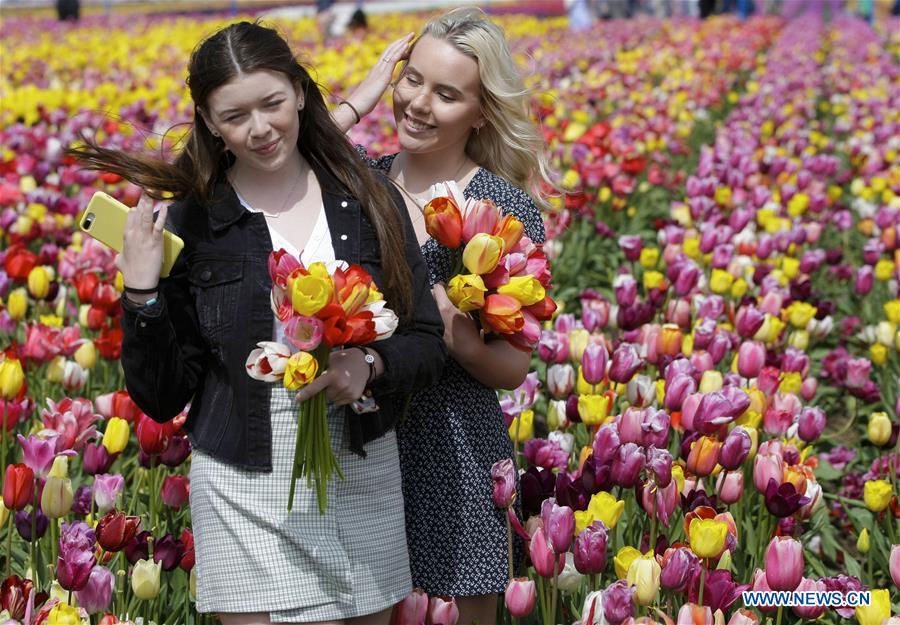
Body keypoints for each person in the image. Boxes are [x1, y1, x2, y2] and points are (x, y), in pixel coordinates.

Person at [71, 21, 445, 625]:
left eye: (273, 103)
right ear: (210, 122)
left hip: (360, 465)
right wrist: (141, 291)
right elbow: (162, 395)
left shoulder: (367, 197)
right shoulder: (192, 221)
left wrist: (368, 364)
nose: (261, 128)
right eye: (236, 115)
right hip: (241, 476)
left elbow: (426, 341)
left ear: (299, 91)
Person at [334, 8, 553, 622]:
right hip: (361, 442)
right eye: (412, 80)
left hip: (454, 446)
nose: (418, 104)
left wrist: (460, 339)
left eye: (447, 93)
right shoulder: (360, 186)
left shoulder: (503, 209)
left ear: (481, 112)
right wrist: (359, 99)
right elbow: (265, 157)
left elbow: (513, 367)